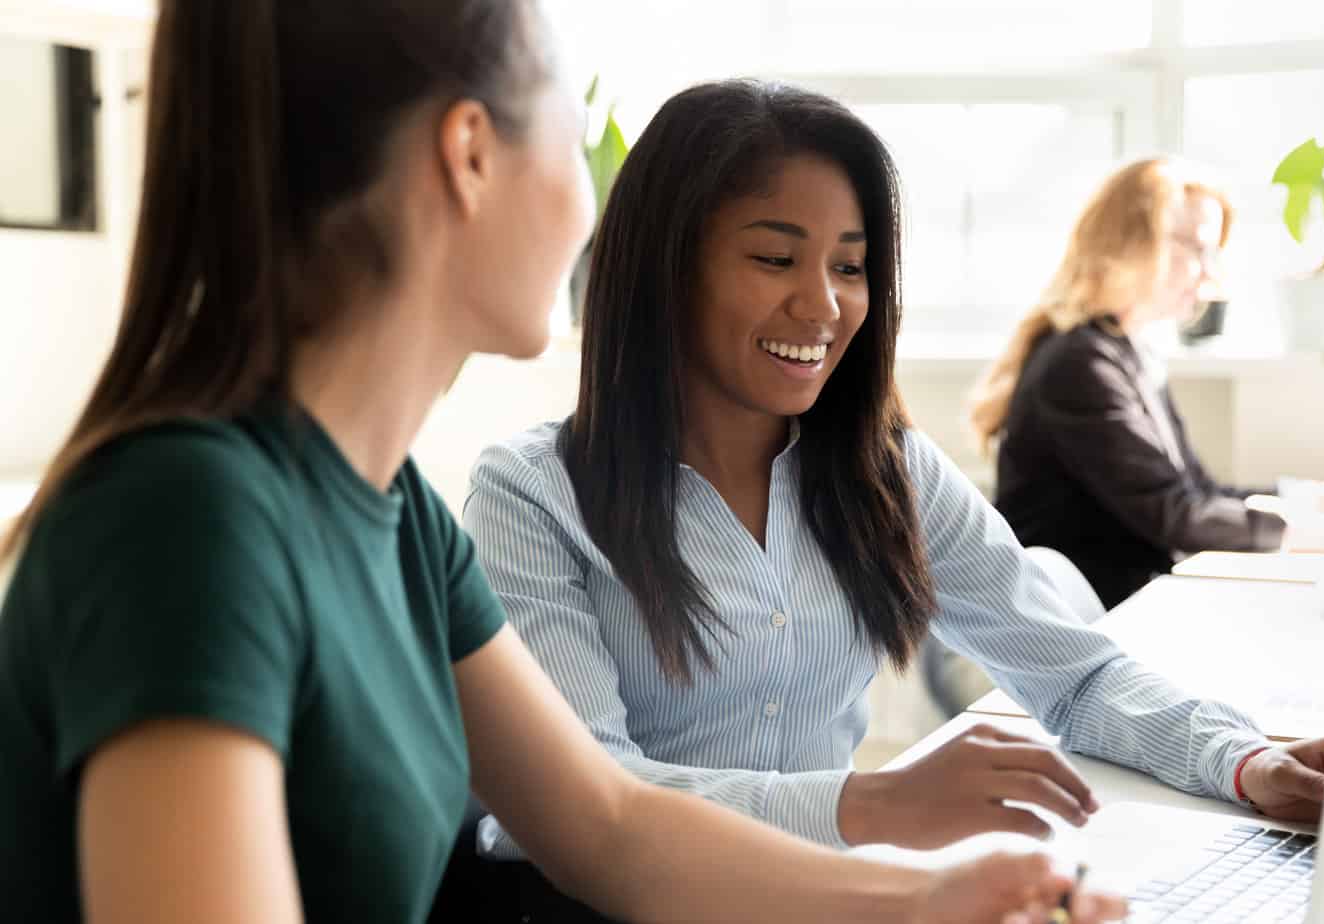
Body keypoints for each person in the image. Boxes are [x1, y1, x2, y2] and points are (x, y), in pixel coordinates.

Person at [0, 5, 1124, 924]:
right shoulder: (188, 519)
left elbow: (612, 829)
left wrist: (929, 901)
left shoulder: (397, 515)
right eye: (572, 138)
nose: (598, 212)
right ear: (471, 155)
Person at [462, 80, 1324, 917]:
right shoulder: (532, 496)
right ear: (665, 269)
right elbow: (592, 800)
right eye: (775, 258)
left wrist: (1241, 761)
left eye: (850, 266)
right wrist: (868, 806)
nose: (824, 304)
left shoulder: (885, 472)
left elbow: (1076, 674)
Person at [973, 158, 1324, 609]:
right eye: (1198, 250)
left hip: (1121, 606)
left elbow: (1201, 495)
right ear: (1133, 244)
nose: (1211, 273)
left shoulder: (1129, 354)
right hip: (1085, 620)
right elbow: (1179, 517)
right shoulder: (1079, 365)